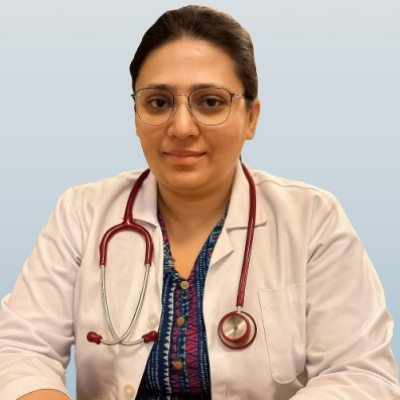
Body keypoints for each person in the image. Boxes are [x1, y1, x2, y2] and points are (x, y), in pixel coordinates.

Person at [0, 5, 399, 400]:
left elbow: (361, 374)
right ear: (136, 115)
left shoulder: (312, 219)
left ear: (251, 118)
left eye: (210, 102)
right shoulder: (82, 213)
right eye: (159, 102)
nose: (181, 127)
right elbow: (20, 349)